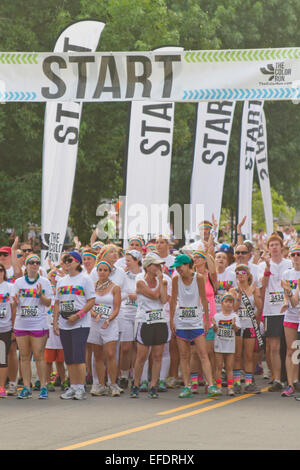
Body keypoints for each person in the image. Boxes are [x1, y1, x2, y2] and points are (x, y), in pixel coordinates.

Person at [169, 253, 221, 398]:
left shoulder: (198, 278)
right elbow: (173, 300)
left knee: (203, 354)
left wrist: (206, 320)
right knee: (184, 355)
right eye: (177, 267)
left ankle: (210, 384)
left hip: (196, 320)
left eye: (180, 267)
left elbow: (204, 299)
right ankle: (187, 386)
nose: (178, 270)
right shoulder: (175, 279)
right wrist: (171, 319)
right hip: (181, 321)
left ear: (188, 265)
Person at [53, 251, 95, 400]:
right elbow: (57, 303)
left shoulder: (85, 279)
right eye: (64, 260)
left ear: (77, 262)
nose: (66, 262)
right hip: (65, 324)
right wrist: (55, 322)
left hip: (80, 324)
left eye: (69, 260)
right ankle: (73, 386)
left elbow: (91, 301)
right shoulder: (61, 281)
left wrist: (78, 315)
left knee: (78, 357)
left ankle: (81, 388)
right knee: (69, 358)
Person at [13, 254, 52, 399]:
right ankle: (27, 387)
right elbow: (14, 303)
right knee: (23, 357)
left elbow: (48, 303)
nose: (34, 265)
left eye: (37, 262)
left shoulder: (45, 282)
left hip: (38, 323)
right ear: (26, 265)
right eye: (31, 262)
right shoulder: (18, 282)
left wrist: (40, 295)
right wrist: (16, 302)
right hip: (21, 323)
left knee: (38, 355)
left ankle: (43, 386)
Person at [130, 253, 169, 399]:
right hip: (144, 320)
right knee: (141, 356)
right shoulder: (140, 282)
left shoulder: (163, 282)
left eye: (160, 265)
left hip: (159, 319)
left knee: (157, 355)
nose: (159, 268)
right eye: (156, 265)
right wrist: (160, 282)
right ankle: (136, 383)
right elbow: (153, 296)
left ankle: (154, 385)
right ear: (147, 267)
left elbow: (164, 299)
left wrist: (160, 281)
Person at [259, 234, 292, 391]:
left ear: (281, 247)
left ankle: (291, 379)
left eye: (276, 245)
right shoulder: (264, 265)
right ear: (268, 248)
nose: (274, 247)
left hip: (288, 310)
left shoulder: (289, 263)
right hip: (271, 310)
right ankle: (277, 379)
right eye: (271, 245)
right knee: (273, 347)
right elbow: (262, 286)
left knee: (290, 346)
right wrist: (266, 268)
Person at [88, 260, 121, 397]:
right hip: (95, 323)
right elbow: (88, 304)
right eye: (100, 270)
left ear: (109, 272)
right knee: (98, 355)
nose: (102, 272)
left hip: (110, 323)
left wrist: (109, 319)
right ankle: (101, 385)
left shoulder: (115, 287)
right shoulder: (92, 286)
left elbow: (117, 307)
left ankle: (113, 384)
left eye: (105, 270)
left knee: (110, 354)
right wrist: (94, 314)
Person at [231, 264, 262, 394]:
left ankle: (249, 382)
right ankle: (237, 382)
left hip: (249, 325)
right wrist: (240, 294)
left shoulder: (254, 289)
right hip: (238, 326)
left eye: (243, 272)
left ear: (248, 274)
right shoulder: (233, 290)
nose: (240, 275)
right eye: (238, 273)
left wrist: (253, 293)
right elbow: (234, 308)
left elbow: (259, 306)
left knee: (249, 355)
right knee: (237, 355)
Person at [191, 250, 218, 391]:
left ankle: (210, 381)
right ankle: (194, 380)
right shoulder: (191, 275)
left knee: (208, 352)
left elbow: (214, 271)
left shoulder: (209, 275)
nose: (195, 260)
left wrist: (208, 250)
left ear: (204, 260)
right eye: (193, 257)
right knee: (195, 352)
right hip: (195, 316)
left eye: (197, 257)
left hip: (210, 317)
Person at [118, 250, 143, 389]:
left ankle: (135, 375)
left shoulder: (143, 275)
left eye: (129, 260)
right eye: (125, 260)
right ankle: (124, 375)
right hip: (126, 313)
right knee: (126, 347)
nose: (126, 263)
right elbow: (117, 292)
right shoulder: (123, 275)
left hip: (140, 313)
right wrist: (128, 295)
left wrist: (137, 295)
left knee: (138, 347)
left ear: (137, 260)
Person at [280, 245, 300, 397]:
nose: (295, 257)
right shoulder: (287, 273)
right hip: (291, 314)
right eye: (293, 254)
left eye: (298, 254)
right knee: (291, 350)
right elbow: (290, 300)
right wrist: (286, 297)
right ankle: (291, 384)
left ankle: (296, 381)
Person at [212, 293, 241, 396]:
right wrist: (215, 326)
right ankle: (219, 387)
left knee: (229, 366)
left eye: (231, 302)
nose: (228, 304)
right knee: (218, 366)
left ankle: (230, 387)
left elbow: (237, 329)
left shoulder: (235, 316)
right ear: (222, 303)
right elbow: (214, 330)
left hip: (230, 344)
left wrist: (233, 325)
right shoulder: (217, 316)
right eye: (226, 302)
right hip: (219, 344)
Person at [0, 263, 16, 397]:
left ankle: (1, 387)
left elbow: (13, 309)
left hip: (4, 328)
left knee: (2, 358)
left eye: (1, 270)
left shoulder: (9, 287)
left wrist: (13, 328)